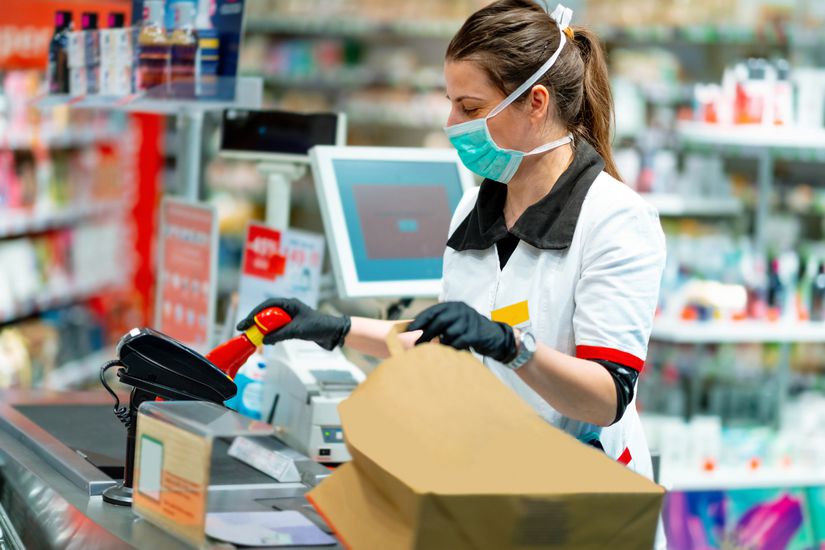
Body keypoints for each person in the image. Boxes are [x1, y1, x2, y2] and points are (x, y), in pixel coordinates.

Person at [239, 1, 666, 544]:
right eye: (451, 103)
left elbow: (607, 396)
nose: (452, 125)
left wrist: (515, 347)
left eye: (469, 106)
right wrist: (336, 329)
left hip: (581, 507)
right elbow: (446, 345)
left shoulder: (615, 220)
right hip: (490, 491)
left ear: (536, 103)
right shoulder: (475, 211)